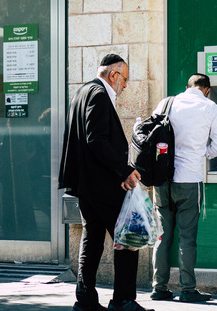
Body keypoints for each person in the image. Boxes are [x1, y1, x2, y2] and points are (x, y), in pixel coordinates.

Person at [59, 54, 153, 311]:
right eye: (124, 80)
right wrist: (125, 171)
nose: (124, 86)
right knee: (128, 239)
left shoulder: (81, 92)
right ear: (114, 75)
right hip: (103, 184)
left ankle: (85, 301)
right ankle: (123, 301)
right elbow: (96, 139)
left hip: (86, 185)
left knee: (92, 238)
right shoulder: (99, 95)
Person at [150, 74, 217, 302]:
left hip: (162, 180)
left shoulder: (166, 102)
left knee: (162, 236)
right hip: (189, 179)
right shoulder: (210, 107)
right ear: (207, 90)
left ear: (187, 88)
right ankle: (187, 289)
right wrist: (200, 153)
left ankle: (159, 287)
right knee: (187, 237)